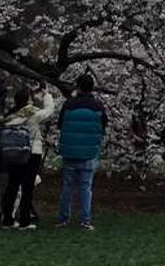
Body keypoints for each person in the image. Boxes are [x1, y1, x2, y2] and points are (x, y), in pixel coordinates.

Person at [0, 88, 59, 229]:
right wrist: (47, 94)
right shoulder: (32, 114)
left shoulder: (11, 116)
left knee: (12, 186)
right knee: (27, 188)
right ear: (28, 100)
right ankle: (24, 221)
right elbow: (49, 110)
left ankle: (8, 220)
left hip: (13, 153)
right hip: (31, 152)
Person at [54, 73, 108, 230]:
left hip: (69, 151)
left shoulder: (69, 105)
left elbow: (60, 124)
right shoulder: (98, 106)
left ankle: (63, 218)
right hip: (89, 152)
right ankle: (85, 220)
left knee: (67, 187)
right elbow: (103, 126)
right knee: (86, 187)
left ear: (77, 87)